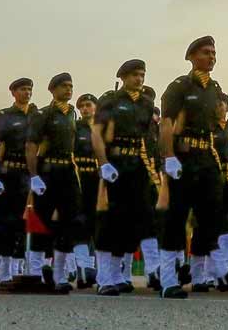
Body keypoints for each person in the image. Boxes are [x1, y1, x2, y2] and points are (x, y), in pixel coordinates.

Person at [157, 36, 228, 299]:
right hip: (183, 157)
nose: (211, 57)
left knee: (217, 214)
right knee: (176, 219)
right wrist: (168, 156)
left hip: (208, 157)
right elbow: (166, 124)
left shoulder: (215, 88)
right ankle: (168, 280)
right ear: (191, 57)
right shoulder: (179, 86)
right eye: (206, 52)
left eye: (214, 53)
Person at [91, 59, 158, 297]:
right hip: (115, 162)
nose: (139, 79)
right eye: (135, 75)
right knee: (110, 219)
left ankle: (123, 274)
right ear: (124, 77)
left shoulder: (147, 104)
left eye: (142, 75)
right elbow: (97, 134)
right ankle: (104, 278)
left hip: (137, 164)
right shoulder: (110, 100)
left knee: (138, 217)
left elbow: (147, 138)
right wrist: (104, 163)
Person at [26, 72, 85, 294]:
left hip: (67, 170)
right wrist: (34, 175)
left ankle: (59, 273)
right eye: (64, 86)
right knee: (41, 220)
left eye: (71, 86)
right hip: (47, 170)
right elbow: (31, 146)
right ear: (53, 89)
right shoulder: (43, 114)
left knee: (69, 221)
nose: (69, 89)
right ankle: (36, 270)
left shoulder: (72, 113)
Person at [0, 78, 38, 284]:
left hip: (26, 174)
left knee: (19, 223)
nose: (27, 93)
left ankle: (7, 270)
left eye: (30, 89)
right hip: (7, 173)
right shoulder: (4, 115)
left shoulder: (36, 115)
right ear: (13, 92)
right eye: (23, 89)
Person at [73, 93, 100, 288]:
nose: (84, 109)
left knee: (98, 225)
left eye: (88, 105)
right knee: (81, 225)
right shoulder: (75, 128)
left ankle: (98, 271)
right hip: (80, 177)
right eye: (81, 106)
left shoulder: (102, 128)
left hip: (98, 180)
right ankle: (83, 271)